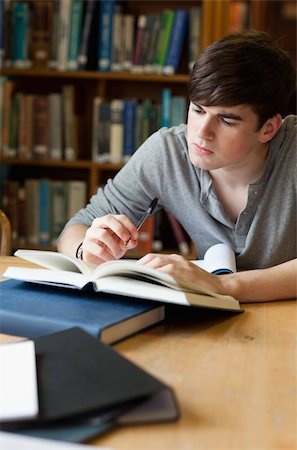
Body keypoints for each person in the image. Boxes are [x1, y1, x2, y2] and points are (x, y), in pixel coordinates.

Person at [57, 30, 297, 303]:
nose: (202, 132)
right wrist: (87, 248)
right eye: (198, 110)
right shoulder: (167, 151)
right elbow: (74, 230)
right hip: (211, 322)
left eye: (227, 121)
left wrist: (224, 286)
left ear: (268, 128)